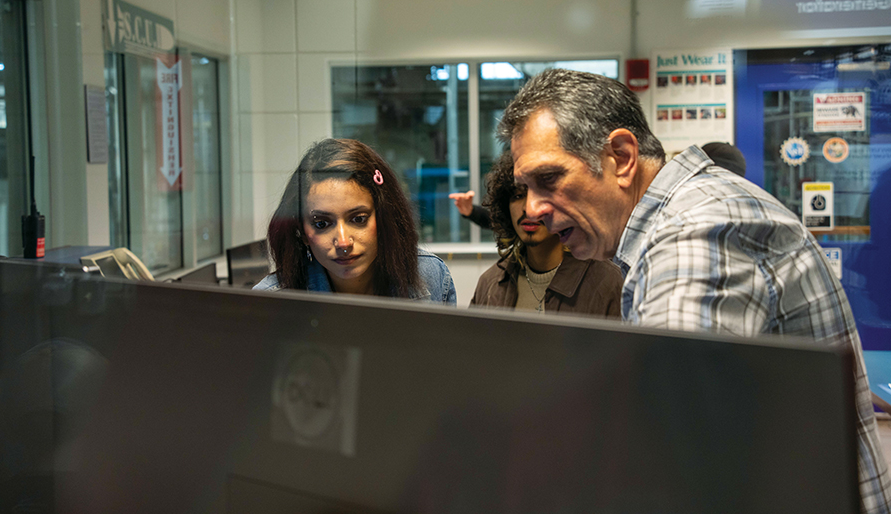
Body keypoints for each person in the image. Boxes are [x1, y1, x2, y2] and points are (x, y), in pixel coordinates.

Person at [498, 68, 891, 514]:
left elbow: (669, 456)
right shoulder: (687, 216)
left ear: (623, 157)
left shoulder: (700, 229)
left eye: (548, 180)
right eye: (525, 189)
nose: (533, 209)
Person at [254, 138, 456, 304]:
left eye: (358, 219)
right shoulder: (269, 302)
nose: (343, 242)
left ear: (383, 218)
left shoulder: (430, 277)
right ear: (302, 232)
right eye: (322, 224)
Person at [470, 150, 622, 318]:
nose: (529, 209)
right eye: (518, 195)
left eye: (541, 194)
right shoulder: (490, 284)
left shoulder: (607, 284)